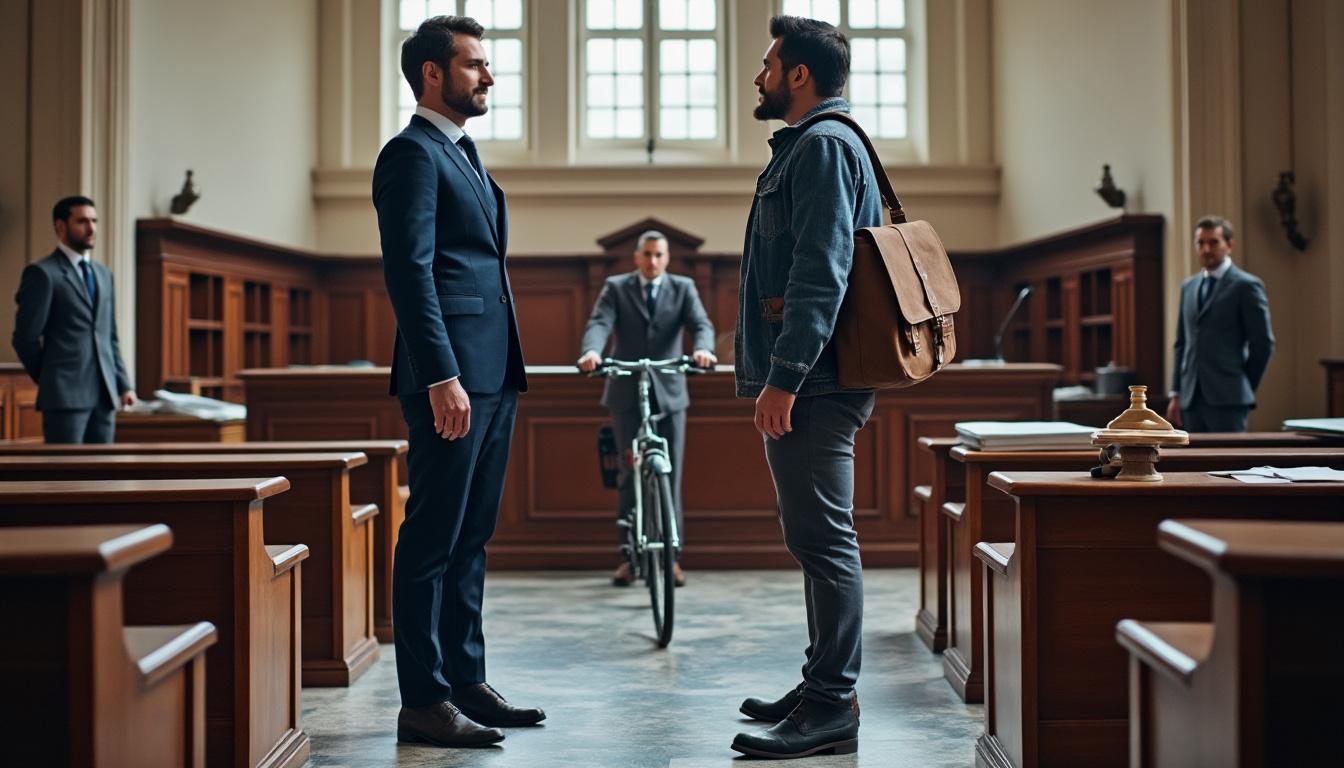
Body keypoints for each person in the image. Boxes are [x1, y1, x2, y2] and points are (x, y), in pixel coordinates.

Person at [372, 14, 541, 749]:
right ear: (433, 73)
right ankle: (424, 700)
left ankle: (466, 679)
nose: (490, 76)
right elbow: (410, 272)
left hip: (493, 370)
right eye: (475, 63)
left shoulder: (465, 154)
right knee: (433, 538)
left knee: (472, 536)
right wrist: (440, 372)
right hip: (450, 376)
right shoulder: (410, 155)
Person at [729, 16, 880, 760]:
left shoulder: (820, 146)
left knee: (825, 540)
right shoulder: (818, 143)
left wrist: (784, 378)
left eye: (767, 65)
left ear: (797, 75)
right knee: (813, 536)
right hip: (814, 376)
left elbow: (819, 273)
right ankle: (823, 681)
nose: (757, 76)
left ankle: (831, 704)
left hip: (815, 381)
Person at [577, 231, 717, 588]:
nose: (653, 261)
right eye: (647, 255)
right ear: (636, 257)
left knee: (670, 475)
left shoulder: (683, 288)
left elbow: (701, 324)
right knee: (629, 476)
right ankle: (629, 557)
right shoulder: (616, 287)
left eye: (659, 255)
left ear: (667, 258)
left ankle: (672, 558)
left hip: (670, 394)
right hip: (626, 392)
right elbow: (600, 323)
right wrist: (592, 351)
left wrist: (703, 349)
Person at [12, 196, 136, 443]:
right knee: (64, 475)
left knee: (104, 478)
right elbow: (25, 338)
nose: (91, 228)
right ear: (60, 226)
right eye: (82, 221)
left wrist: (123, 384)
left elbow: (109, 336)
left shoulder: (103, 274)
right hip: (64, 398)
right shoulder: (43, 273)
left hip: (105, 395)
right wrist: (51, 378)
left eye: (94, 221)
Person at [1166, 216, 1275, 433]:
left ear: (1229, 245)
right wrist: (1176, 393)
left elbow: (1263, 344)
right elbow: (1182, 343)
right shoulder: (1189, 286)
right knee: (1192, 465)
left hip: (1229, 401)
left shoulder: (1246, 286)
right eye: (1200, 242)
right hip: (1190, 400)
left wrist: (1240, 384)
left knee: (1228, 465)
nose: (1206, 249)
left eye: (1213, 242)